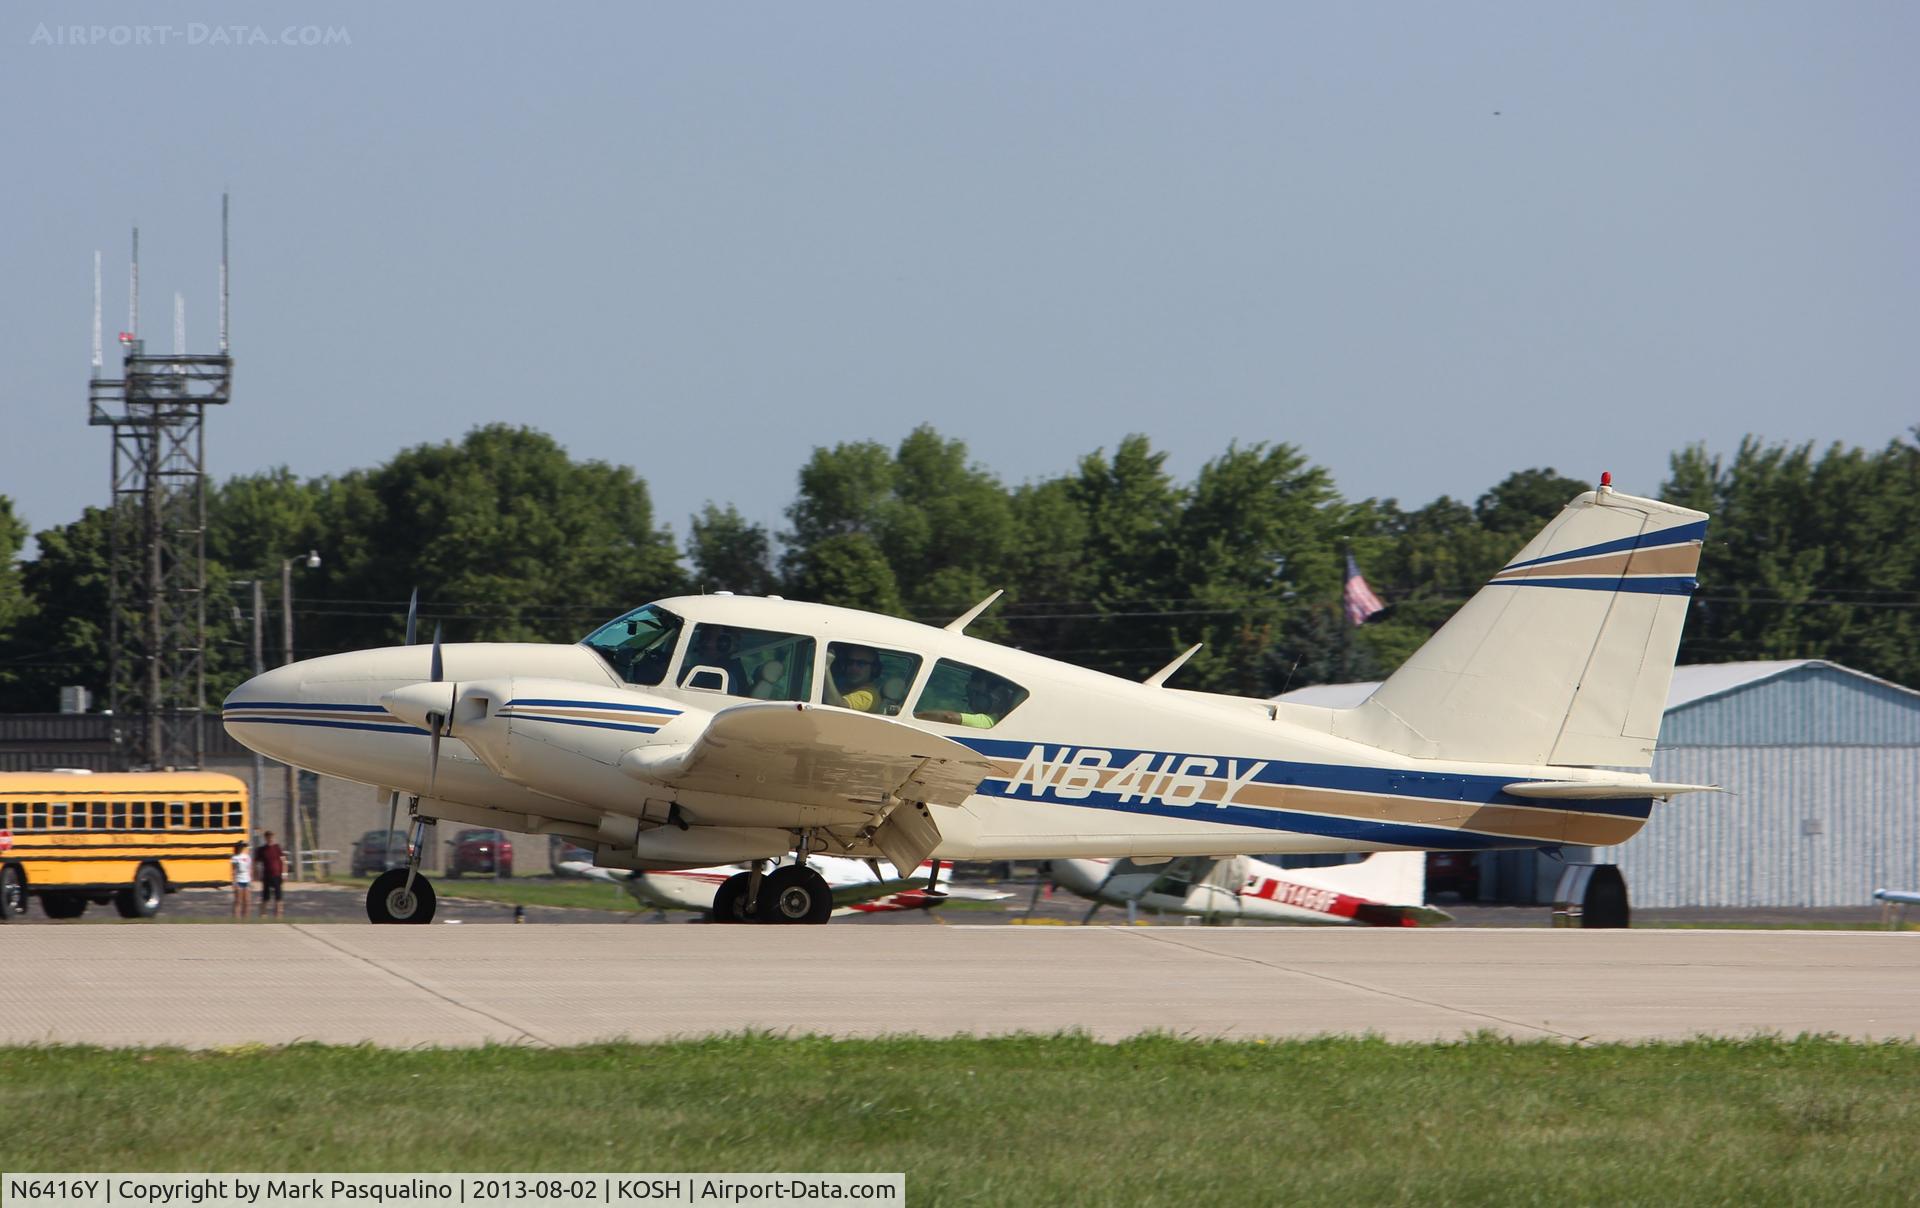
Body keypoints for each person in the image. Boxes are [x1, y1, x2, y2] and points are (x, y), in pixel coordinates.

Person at [679, 626, 749, 695]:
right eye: (703, 638)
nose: (705, 643)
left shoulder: (725, 675)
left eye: (708, 638)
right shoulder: (697, 671)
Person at [826, 644, 883, 712]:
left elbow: (835, 706)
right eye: (850, 662)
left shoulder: (868, 695)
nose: (853, 668)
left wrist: (826, 667)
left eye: (861, 663)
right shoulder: (844, 685)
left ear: (874, 669)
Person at [254, 829, 286, 920]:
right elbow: (256, 862)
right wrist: (256, 873)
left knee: (278, 896)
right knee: (265, 897)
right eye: (268, 837)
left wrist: (284, 873)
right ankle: (263, 915)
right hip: (267, 876)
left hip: (277, 875)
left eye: (271, 836)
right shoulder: (262, 849)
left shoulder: (277, 848)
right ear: (265, 838)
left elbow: (284, 861)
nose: (270, 838)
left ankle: (278, 916)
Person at [230, 841, 252, 920]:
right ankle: (236, 919)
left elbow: (249, 869)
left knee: (247, 901)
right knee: (238, 901)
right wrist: (234, 882)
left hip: (246, 880)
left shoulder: (247, 857)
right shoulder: (234, 857)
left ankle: (246, 919)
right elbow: (233, 871)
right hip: (239, 880)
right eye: (240, 846)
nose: (241, 848)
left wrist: (250, 881)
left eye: (243, 847)